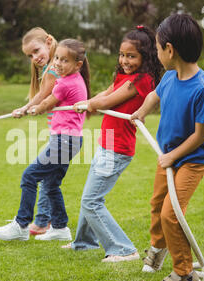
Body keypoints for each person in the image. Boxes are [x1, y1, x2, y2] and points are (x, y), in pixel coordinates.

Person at [130, 14, 204, 281]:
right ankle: (158, 248)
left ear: (170, 50)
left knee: (171, 213)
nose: (156, 54)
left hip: (190, 160)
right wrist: (141, 112)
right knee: (157, 204)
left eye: (157, 49)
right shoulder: (169, 78)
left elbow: (201, 135)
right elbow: (153, 96)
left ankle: (184, 273)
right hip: (168, 156)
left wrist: (173, 156)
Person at [64, 26, 162, 263]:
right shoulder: (124, 76)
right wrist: (89, 101)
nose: (124, 60)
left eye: (131, 56)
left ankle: (123, 249)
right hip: (107, 144)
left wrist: (91, 104)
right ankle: (84, 242)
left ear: (145, 57)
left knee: (91, 200)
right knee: (90, 196)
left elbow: (108, 100)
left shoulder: (142, 80)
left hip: (117, 149)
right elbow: (104, 93)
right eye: (122, 54)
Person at [0, 39, 90, 241]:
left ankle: (21, 225)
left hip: (64, 141)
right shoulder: (76, 78)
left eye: (64, 60)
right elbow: (45, 99)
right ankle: (60, 228)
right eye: (56, 58)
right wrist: (26, 109)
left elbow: (47, 102)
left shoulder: (66, 82)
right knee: (51, 184)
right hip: (70, 141)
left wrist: (33, 109)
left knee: (30, 176)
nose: (57, 63)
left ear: (78, 64)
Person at [12, 27, 61, 236]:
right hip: (57, 133)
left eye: (36, 51)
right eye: (30, 55)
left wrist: (24, 108)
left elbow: (43, 94)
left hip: (62, 135)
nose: (34, 58)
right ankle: (50, 223)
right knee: (49, 180)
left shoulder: (53, 69)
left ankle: (41, 222)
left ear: (49, 41)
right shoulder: (52, 67)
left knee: (35, 176)